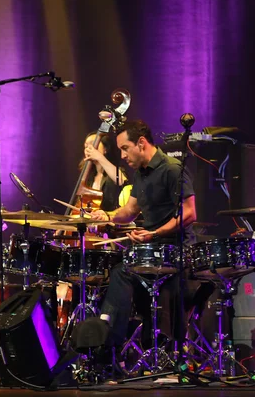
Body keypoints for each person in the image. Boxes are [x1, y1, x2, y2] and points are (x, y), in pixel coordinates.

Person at [90, 119, 203, 350]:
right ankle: (109, 349)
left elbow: (190, 213)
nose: (122, 156)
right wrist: (107, 216)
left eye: (124, 148)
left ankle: (113, 347)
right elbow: (130, 211)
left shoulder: (172, 169)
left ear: (141, 143)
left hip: (175, 250)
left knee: (122, 273)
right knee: (119, 271)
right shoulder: (140, 174)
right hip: (151, 250)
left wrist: (154, 233)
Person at [82, 132, 130, 212]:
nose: (88, 149)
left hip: (112, 220)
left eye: (93, 144)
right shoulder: (88, 176)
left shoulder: (116, 170)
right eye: (86, 146)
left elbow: (122, 181)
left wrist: (99, 157)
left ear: (105, 149)